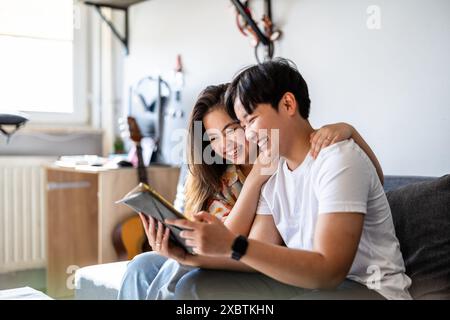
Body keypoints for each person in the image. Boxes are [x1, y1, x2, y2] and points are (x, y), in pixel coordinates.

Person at [165, 59, 412, 300]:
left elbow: (330, 272)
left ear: (287, 104)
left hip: (368, 289)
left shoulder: (338, 159)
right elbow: (257, 251)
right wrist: (189, 257)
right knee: (195, 286)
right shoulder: (271, 174)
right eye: (242, 124)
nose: (248, 133)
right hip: (307, 285)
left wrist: (233, 244)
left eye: (250, 120)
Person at [118, 80, 387, 299]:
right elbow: (223, 244)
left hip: (264, 264)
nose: (225, 144)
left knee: (183, 275)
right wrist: (182, 249)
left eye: (233, 129)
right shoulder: (223, 178)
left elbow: (371, 178)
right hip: (238, 258)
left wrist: (350, 130)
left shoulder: (287, 161)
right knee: (143, 266)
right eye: (213, 138)